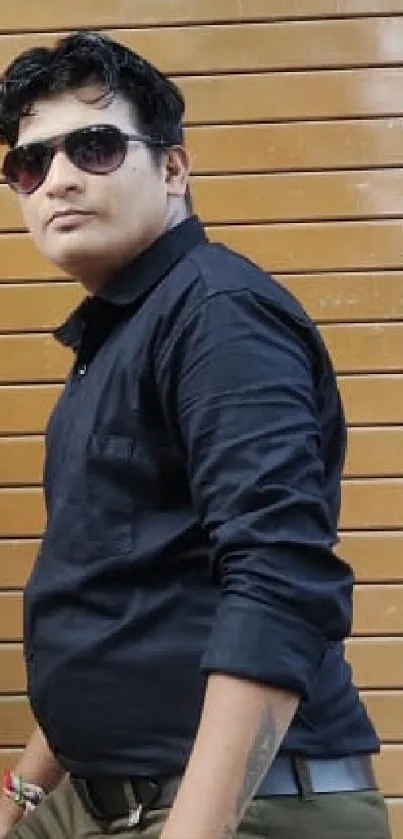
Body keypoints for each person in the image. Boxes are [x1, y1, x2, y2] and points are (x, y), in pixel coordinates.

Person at [0, 30, 391, 839]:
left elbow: (279, 580)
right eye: (28, 164)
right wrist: (21, 799)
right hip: (104, 800)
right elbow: (119, 615)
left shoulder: (216, 318)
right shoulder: (118, 339)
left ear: (172, 169)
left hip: (228, 810)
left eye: (96, 146)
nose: (57, 179)